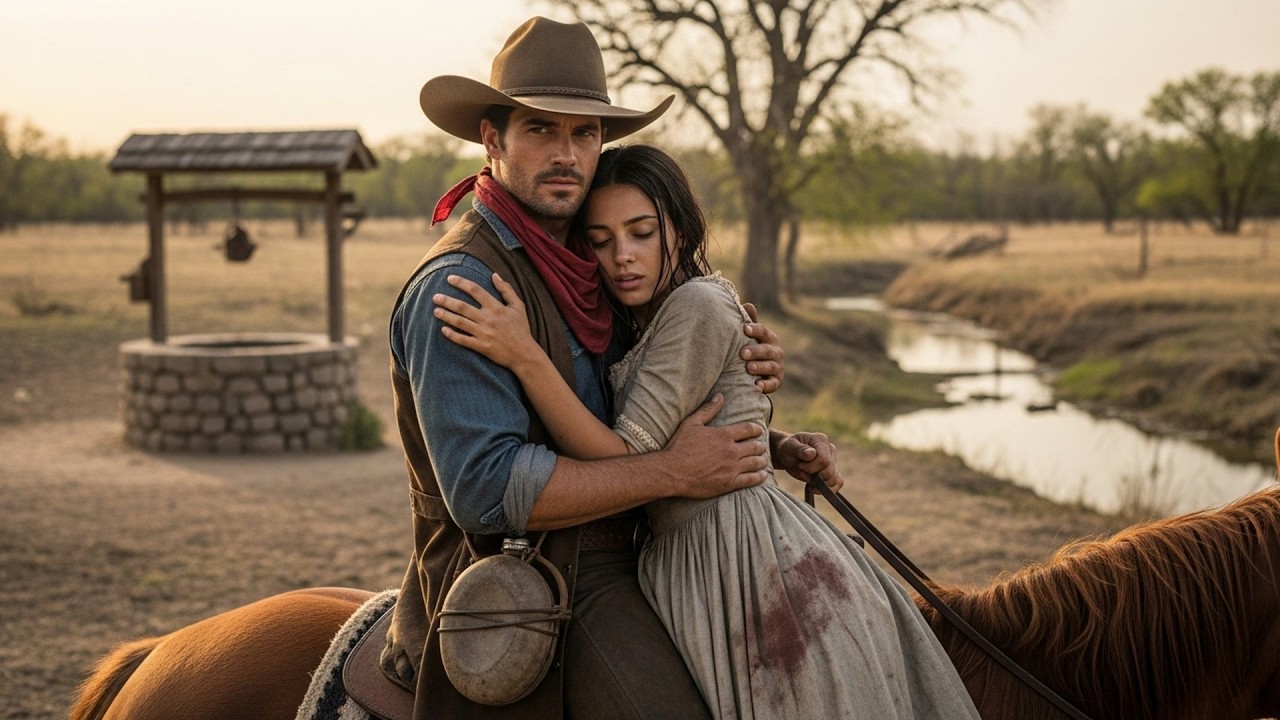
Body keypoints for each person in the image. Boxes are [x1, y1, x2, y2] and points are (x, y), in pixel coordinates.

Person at [380, 16, 841, 720]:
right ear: (493, 140)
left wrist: (760, 440)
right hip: (541, 571)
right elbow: (486, 488)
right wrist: (673, 475)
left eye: (585, 133)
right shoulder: (464, 285)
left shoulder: (589, 261)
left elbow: (639, 415)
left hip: (641, 543)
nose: (567, 153)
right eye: (541, 129)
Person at [432, 144, 983, 719]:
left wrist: (526, 356)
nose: (623, 256)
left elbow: (620, 454)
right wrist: (774, 441)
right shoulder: (634, 315)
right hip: (688, 555)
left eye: (642, 232)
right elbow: (692, 420)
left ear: (680, 229)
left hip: (741, 553)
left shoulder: (695, 304)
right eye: (600, 240)